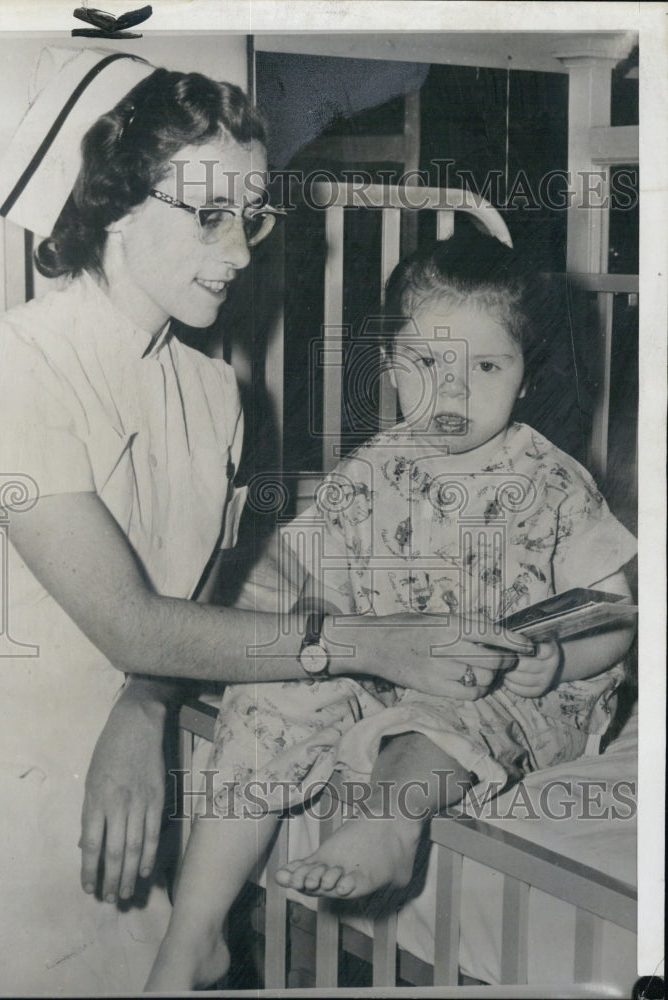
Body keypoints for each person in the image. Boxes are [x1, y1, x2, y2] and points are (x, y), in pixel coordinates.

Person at [0, 50, 518, 996]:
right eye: (207, 216)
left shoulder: (214, 392)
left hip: (128, 786)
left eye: (250, 216)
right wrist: (377, 643)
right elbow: (128, 621)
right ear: (111, 201)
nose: (239, 251)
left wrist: (143, 705)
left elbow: (170, 620)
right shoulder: (6, 363)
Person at [145, 229, 637, 991]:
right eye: (429, 363)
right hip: (383, 664)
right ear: (393, 364)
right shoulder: (370, 471)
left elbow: (611, 613)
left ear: (524, 376)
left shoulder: (551, 482)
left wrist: (557, 661)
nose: (454, 391)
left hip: (509, 688)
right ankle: (195, 929)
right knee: (269, 692)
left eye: (484, 366)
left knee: (443, 721)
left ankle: (387, 821)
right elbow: (307, 583)